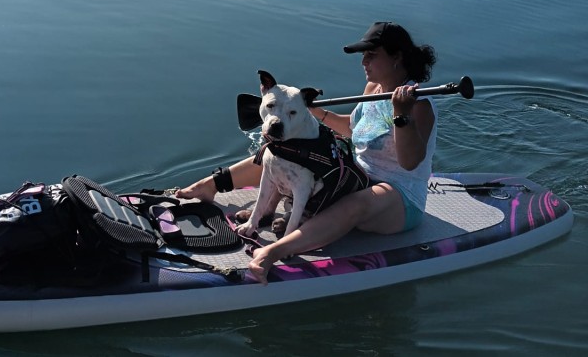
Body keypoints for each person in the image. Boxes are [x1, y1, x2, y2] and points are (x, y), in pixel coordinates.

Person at [174, 21, 437, 284]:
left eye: (371, 55)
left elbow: (410, 162)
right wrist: (311, 112)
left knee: (357, 204)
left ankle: (274, 252)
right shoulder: (373, 88)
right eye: (363, 55)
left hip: (399, 196)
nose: (363, 62)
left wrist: (401, 114)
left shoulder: (419, 105)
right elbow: (352, 128)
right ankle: (210, 185)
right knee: (281, 153)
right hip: (356, 176)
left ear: (397, 57)